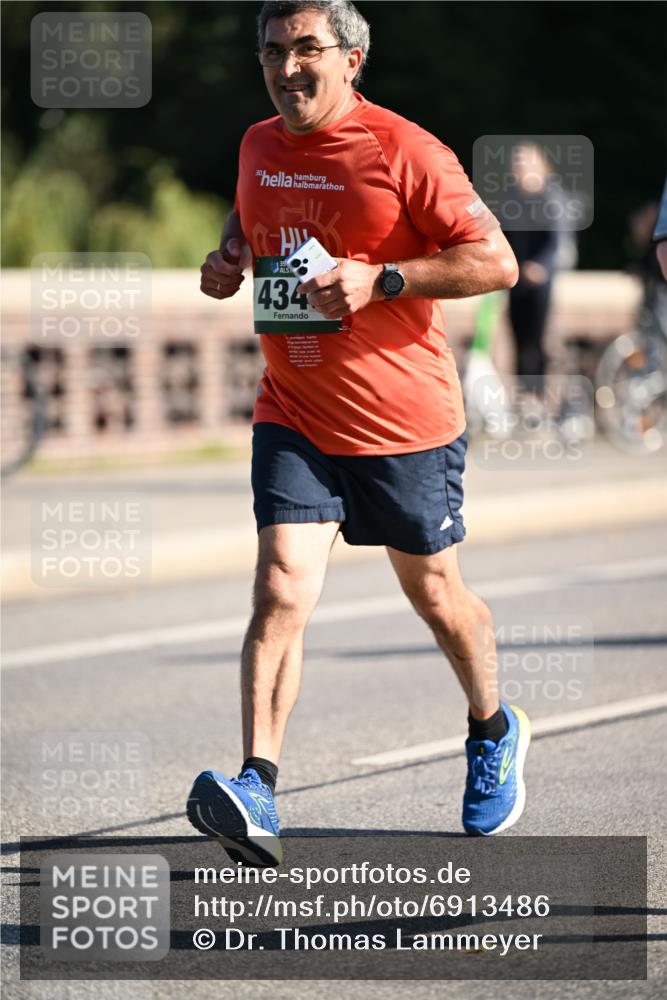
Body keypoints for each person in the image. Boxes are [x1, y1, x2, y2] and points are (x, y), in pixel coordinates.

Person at [187, 0, 530, 866]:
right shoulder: (258, 143)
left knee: (435, 596)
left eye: (307, 49)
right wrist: (231, 256)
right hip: (294, 409)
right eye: (272, 51)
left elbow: (495, 261)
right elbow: (251, 217)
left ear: (353, 58)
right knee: (279, 588)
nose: (287, 67)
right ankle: (256, 786)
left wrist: (382, 279)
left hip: (402, 421)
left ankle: (491, 728)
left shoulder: (406, 150)